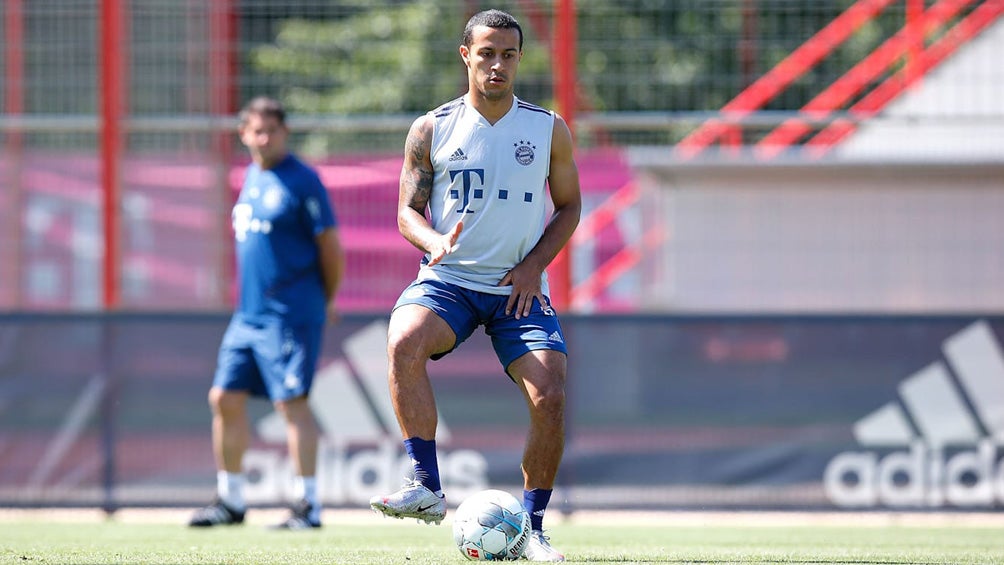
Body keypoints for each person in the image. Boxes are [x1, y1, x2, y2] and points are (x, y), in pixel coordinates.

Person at [368, 9, 580, 562]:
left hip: (518, 286)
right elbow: (406, 213)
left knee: (551, 395)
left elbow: (571, 205)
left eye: (508, 54)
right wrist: (433, 242)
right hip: (451, 280)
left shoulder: (547, 127)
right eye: (486, 53)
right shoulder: (432, 128)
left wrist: (535, 265)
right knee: (402, 340)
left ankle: (533, 528)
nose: (497, 65)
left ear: (519, 60)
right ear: (466, 56)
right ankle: (427, 487)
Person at [188, 96, 344, 530]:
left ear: (284, 133)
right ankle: (231, 501)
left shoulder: (303, 180)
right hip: (248, 317)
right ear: (243, 134)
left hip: (290, 314)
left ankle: (308, 506)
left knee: (291, 404)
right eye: (256, 130)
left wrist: (325, 299)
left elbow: (331, 249)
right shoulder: (252, 176)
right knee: (224, 398)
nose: (264, 138)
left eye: (272, 130)